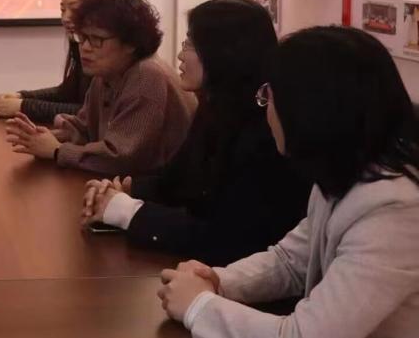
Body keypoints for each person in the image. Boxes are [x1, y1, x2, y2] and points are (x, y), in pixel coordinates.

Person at [158, 26, 419, 338]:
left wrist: (198, 306)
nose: (266, 109)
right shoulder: (345, 170)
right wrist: (216, 280)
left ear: (307, 109)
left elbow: (305, 334)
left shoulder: (393, 208)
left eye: (269, 96)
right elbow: (291, 262)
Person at [81, 0, 310, 265]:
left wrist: (125, 210)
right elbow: (178, 180)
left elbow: (224, 237)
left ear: (223, 52)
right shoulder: (216, 106)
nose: (180, 55)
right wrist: (125, 189)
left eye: (190, 44)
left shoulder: (261, 129)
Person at [5, 0, 195, 175]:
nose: (85, 47)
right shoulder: (105, 74)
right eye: (83, 38)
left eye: (97, 39)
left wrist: (56, 150)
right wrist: (45, 136)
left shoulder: (147, 76)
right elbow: (86, 129)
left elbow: (120, 157)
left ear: (130, 43)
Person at [0, 0, 107, 123]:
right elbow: (65, 92)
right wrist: (22, 96)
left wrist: (23, 106)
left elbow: (87, 112)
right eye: (62, 10)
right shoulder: (78, 44)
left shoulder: (106, 56)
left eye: (74, 9)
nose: (65, 18)